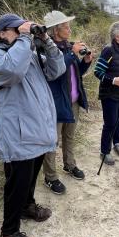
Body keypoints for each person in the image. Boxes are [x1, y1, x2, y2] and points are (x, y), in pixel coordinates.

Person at [0, 13, 65, 237]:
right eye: (15, 29)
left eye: (23, 29)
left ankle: (27, 206)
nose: (21, 33)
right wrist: (25, 36)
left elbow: (57, 70)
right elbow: (11, 71)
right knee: (17, 184)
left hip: (37, 129)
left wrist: (46, 42)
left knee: (30, 177)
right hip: (18, 133)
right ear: (1, 33)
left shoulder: (29, 54)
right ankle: (8, 232)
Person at [42, 11, 94, 195]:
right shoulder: (47, 49)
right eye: (66, 26)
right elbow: (55, 71)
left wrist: (85, 62)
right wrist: (72, 53)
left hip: (72, 100)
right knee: (52, 141)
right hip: (56, 103)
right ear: (56, 30)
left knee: (69, 136)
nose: (69, 29)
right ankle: (50, 177)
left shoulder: (67, 47)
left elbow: (74, 72)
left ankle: (69, 165)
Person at [94, 21, 119, 165]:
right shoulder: (108, 50)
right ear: (117, 36)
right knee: (110, 123)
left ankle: (117, 143)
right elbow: (97, 72)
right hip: (110, 94)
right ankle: (104, 151)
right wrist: (113, 80)